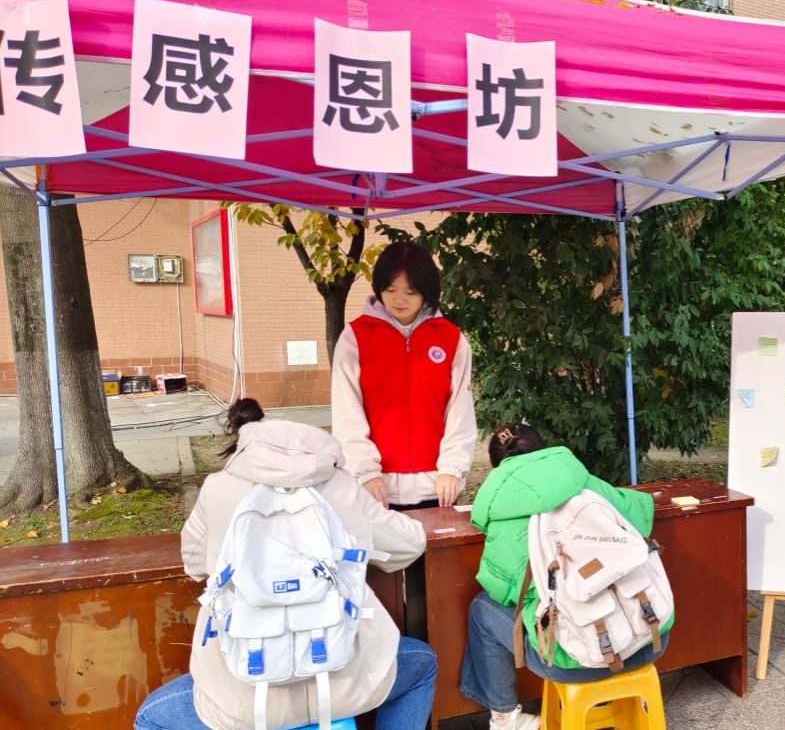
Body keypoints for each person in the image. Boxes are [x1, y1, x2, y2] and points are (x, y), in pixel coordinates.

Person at [134, 399, 436, 730]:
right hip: (346, 684)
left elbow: (193, 564)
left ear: (243, 445)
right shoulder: (341, 484)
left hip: (247, 695)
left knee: (150, 716)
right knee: (422, 664)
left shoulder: (217, 487)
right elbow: (410, 543)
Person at [459, 424, 670, 730]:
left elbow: (504, 591)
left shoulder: (501, 512)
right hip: (650, 640)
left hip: (574, 661)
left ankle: (504, 718)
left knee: (482, 608)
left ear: (498, 467)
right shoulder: (586, 483)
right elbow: (640, 517)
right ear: (545, 450)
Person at [332, 240, 477, 510]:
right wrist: (365, 472)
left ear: (427, 291)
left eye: (411, 291)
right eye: (390, 290)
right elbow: (346, 412)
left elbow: (460, 410)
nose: (399, 300)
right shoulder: (355, 338)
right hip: (376, 488)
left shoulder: (451, 339)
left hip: (437, 484)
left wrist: (452, 469)